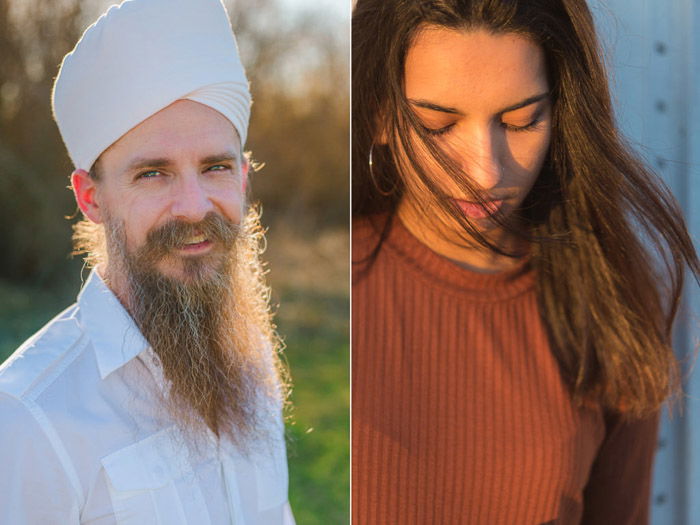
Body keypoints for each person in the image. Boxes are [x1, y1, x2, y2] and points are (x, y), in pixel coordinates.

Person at [352, 0, 699, 523]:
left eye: (520, 121)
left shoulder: (610, 300)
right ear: (380, 112)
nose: (486, 172)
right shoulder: (327, 293)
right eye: (437, 126)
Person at [0, 0, 295, 523]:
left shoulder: (252, 358)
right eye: (153, 174)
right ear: (91, 198)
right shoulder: (26, 417)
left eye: (216, 167)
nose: (195, 206)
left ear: (244, 177)